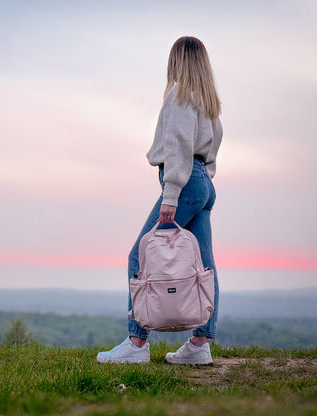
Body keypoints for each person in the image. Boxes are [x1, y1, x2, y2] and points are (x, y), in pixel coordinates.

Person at [97, 36, 223, 365]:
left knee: (140, 256)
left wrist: (171, 193)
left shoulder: (179, 95)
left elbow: (179, 144)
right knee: (204, 267)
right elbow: (213, 145)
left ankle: (137, 344)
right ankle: (199, 344)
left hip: (183, 183)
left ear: (176, 61)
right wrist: (203, 176)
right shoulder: (206, 101)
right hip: (201, 183)